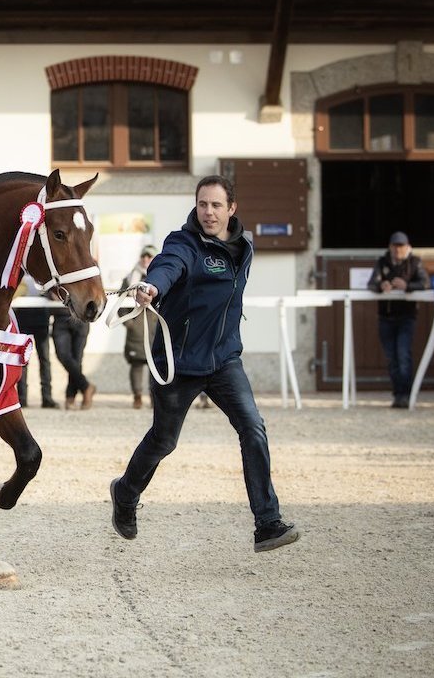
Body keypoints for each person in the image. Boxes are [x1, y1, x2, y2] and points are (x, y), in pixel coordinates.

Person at [110, 175, 298, 552]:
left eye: (215, 205)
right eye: (202, 204)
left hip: (225, 358)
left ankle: (267, 523)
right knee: (164, 440)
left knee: (253, 428)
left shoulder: (244, 245)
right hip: (179, 361)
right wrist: (152, 287)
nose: (208, 212)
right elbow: (168, 266)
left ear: (232, 209)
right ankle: (126, 493)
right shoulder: (184, 243)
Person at [366, 231, 430, 408]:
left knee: (403, 356)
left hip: (406, 317)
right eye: (395, 246)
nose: (397, 249)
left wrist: (407, 286)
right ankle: (398, 394)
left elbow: (425, 283)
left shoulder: (415, 263)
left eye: (401, 246)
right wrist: (381, 286)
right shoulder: (382, 262)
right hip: (386, 318)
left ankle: (406, 394)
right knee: (391, 358)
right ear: (390, 247)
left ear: (407, 247)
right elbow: (371, 283)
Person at [120, 246, 158, 409]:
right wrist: (130, 324)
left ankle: (154, 397)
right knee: (136, 365)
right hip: (136, 330)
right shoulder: (130, 279)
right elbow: (121, 303)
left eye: (150, 256)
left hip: (156, 330)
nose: (146, 259)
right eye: (144, 256)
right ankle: (137, 396)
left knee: (156, 366)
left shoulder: (161, 276)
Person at [14, 277, 57, 409]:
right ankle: (22, 398)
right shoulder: (20, 275)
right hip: (23, 320)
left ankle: (47, 397)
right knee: (23, 360)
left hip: (41, 320)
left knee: (44, 359)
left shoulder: (42, 275)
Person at [52, 298, 95, 410]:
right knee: (62, 355)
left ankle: (70, 397)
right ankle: (86, 386)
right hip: (60, 317)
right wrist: (51, 294)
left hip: (81, 318)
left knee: (77, 360)